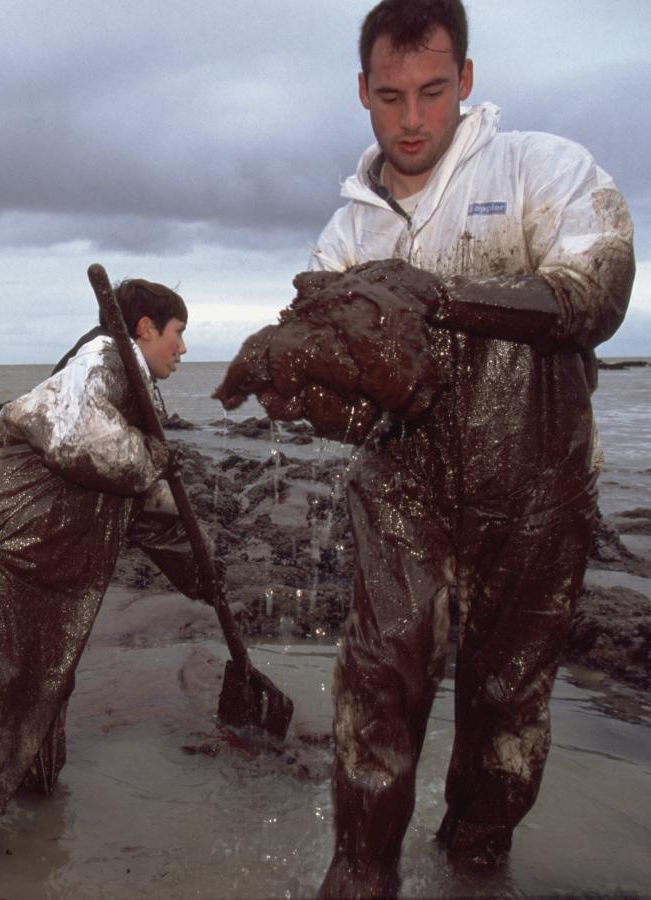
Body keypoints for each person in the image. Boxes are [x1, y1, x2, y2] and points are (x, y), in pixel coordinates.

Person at [306, 0, 635, 896]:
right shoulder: (345, 235)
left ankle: (476, 861)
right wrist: (303, 380)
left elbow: (593, 293)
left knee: (507, 702)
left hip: (537, 489)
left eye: (433, 92)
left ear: (468, 82)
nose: (413, 119)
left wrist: (435, 299)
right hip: (402, 490)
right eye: (390, 96)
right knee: (378, 680)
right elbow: (342, 399)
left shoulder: (543, 169)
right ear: (362, 94)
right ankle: (360, 876)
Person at [0, 278, 207, 855]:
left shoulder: (127, 387)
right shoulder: (103, 359)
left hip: (31, 555)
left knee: (46, 679)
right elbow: (81, 441)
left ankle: (33, 812)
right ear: (145, 329)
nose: (184, 350)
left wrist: (199, 570)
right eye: (179, 333)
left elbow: (144, 504)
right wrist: (153, 455)